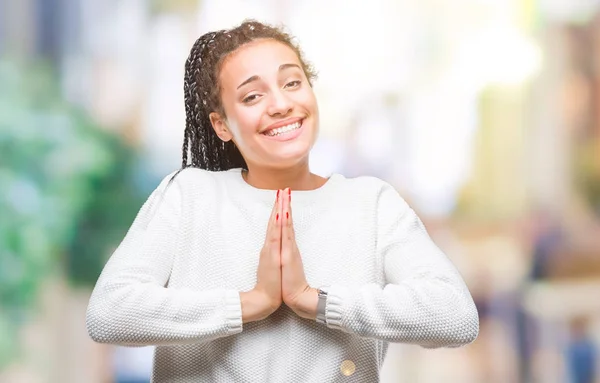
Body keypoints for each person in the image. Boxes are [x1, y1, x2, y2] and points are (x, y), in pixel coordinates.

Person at [85, 19, 479, 382]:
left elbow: (455, 316)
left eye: (292, 83)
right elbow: (109, 313)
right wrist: (248, 303)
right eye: (253, 95)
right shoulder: (189, 197)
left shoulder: (372, 204)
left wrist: (318, 301)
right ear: (221, 125)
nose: (280, 104)